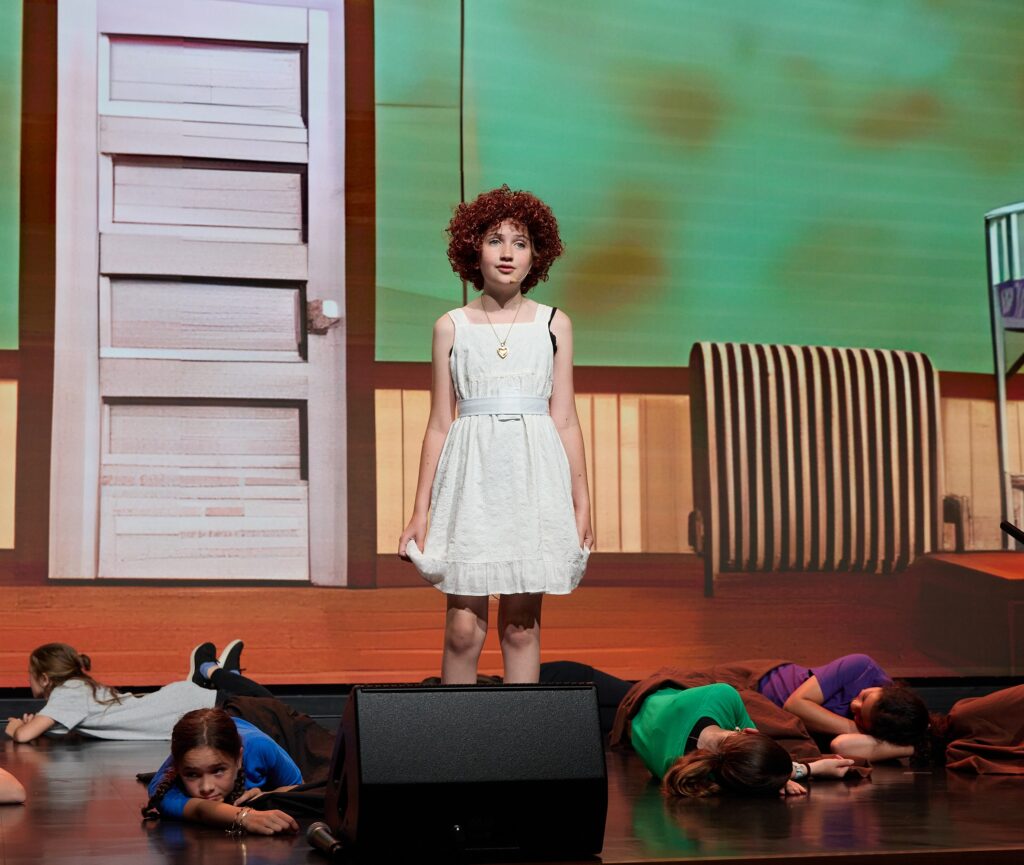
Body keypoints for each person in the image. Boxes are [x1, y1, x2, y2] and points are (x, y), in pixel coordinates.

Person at [398, 185, 593, 684]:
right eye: (494, 240)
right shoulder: (451, 326)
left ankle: (519, 734)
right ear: (473, 249)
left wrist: (582, 502)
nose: (507, 253)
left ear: (536, 255)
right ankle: (458, 732)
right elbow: (439, 422)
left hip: (533, 477)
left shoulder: (555, 324)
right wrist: (419, 510)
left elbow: (565, 420)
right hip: (471, 479)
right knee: (463, 629)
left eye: (520, 242)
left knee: (521, 628)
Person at [629, 682, 854, 798]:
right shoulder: (688, 775)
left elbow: (753, 757)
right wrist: (808, 769)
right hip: (641, 711)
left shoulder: (721, 694)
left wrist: (803, 770)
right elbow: (752, 766)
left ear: (750, 732)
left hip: (647, 698)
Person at [5, 641, 258, 743]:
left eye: (30, 674)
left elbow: (25, 736)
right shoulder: (76, 689)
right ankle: (226, 675)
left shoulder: (68, 692)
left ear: (45, 678)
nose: (27, 679)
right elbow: (58, 726)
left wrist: (16, 727)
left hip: (180, 707)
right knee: (261, 707)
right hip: (175, 705)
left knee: (264, 703)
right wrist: (39, 724)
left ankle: (209, 670)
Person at [141, 707, 300, 835]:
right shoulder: (162, 789)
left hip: (267, 719)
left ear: (238, 759)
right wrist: (244, 816)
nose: (206, 787)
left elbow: (302, 790)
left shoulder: (261, 748)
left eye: (218, 771)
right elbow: (199, 809)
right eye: (192, 774)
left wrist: (268, 794)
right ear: (178, 768)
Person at [757, 654, 928, 761]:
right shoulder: (862, 667)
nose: (854, 705)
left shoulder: (880, 724)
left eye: (860, 717)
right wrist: (856, 728)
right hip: (761, 685)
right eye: (864, 697)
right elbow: (795, 705)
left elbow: (841, 746)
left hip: (774, 723)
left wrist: (910, 748)